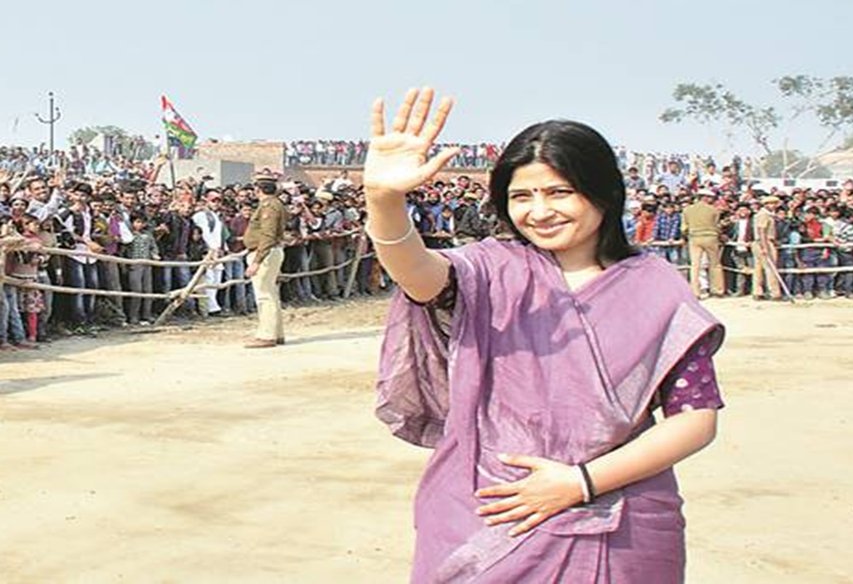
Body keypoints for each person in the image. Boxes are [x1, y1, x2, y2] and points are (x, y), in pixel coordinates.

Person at [370, 87, 725, 582]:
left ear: (603, 192)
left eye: (559, 192)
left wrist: (579, 483)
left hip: (623, 529)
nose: (539, 211)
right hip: (488, 516)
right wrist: (384, 199)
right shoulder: (487, 271)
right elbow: (416, 272)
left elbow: (695, 420)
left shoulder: (658, 288)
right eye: (521, 196)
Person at [241, 177, 286, 348]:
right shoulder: (276, 204)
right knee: (271, 294)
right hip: (270, 251)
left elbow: (268, 234)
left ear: (258, 190)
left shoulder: (269, 206)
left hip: (265, 253)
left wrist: (257, 260)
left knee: (264, 296)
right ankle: (276, 333)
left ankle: (267, 335)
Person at [682, 189, 725, 297]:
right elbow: (717, 226)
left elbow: (683, 228)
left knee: (695, 265)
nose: (712, 200)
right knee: (715, 264)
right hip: (711, 237)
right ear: (705, 197)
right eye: (710, 198)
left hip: (694, 237)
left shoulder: (687, 210)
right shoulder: (714, 210)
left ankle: (695, 291)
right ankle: (718, 290)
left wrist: (687, 234)